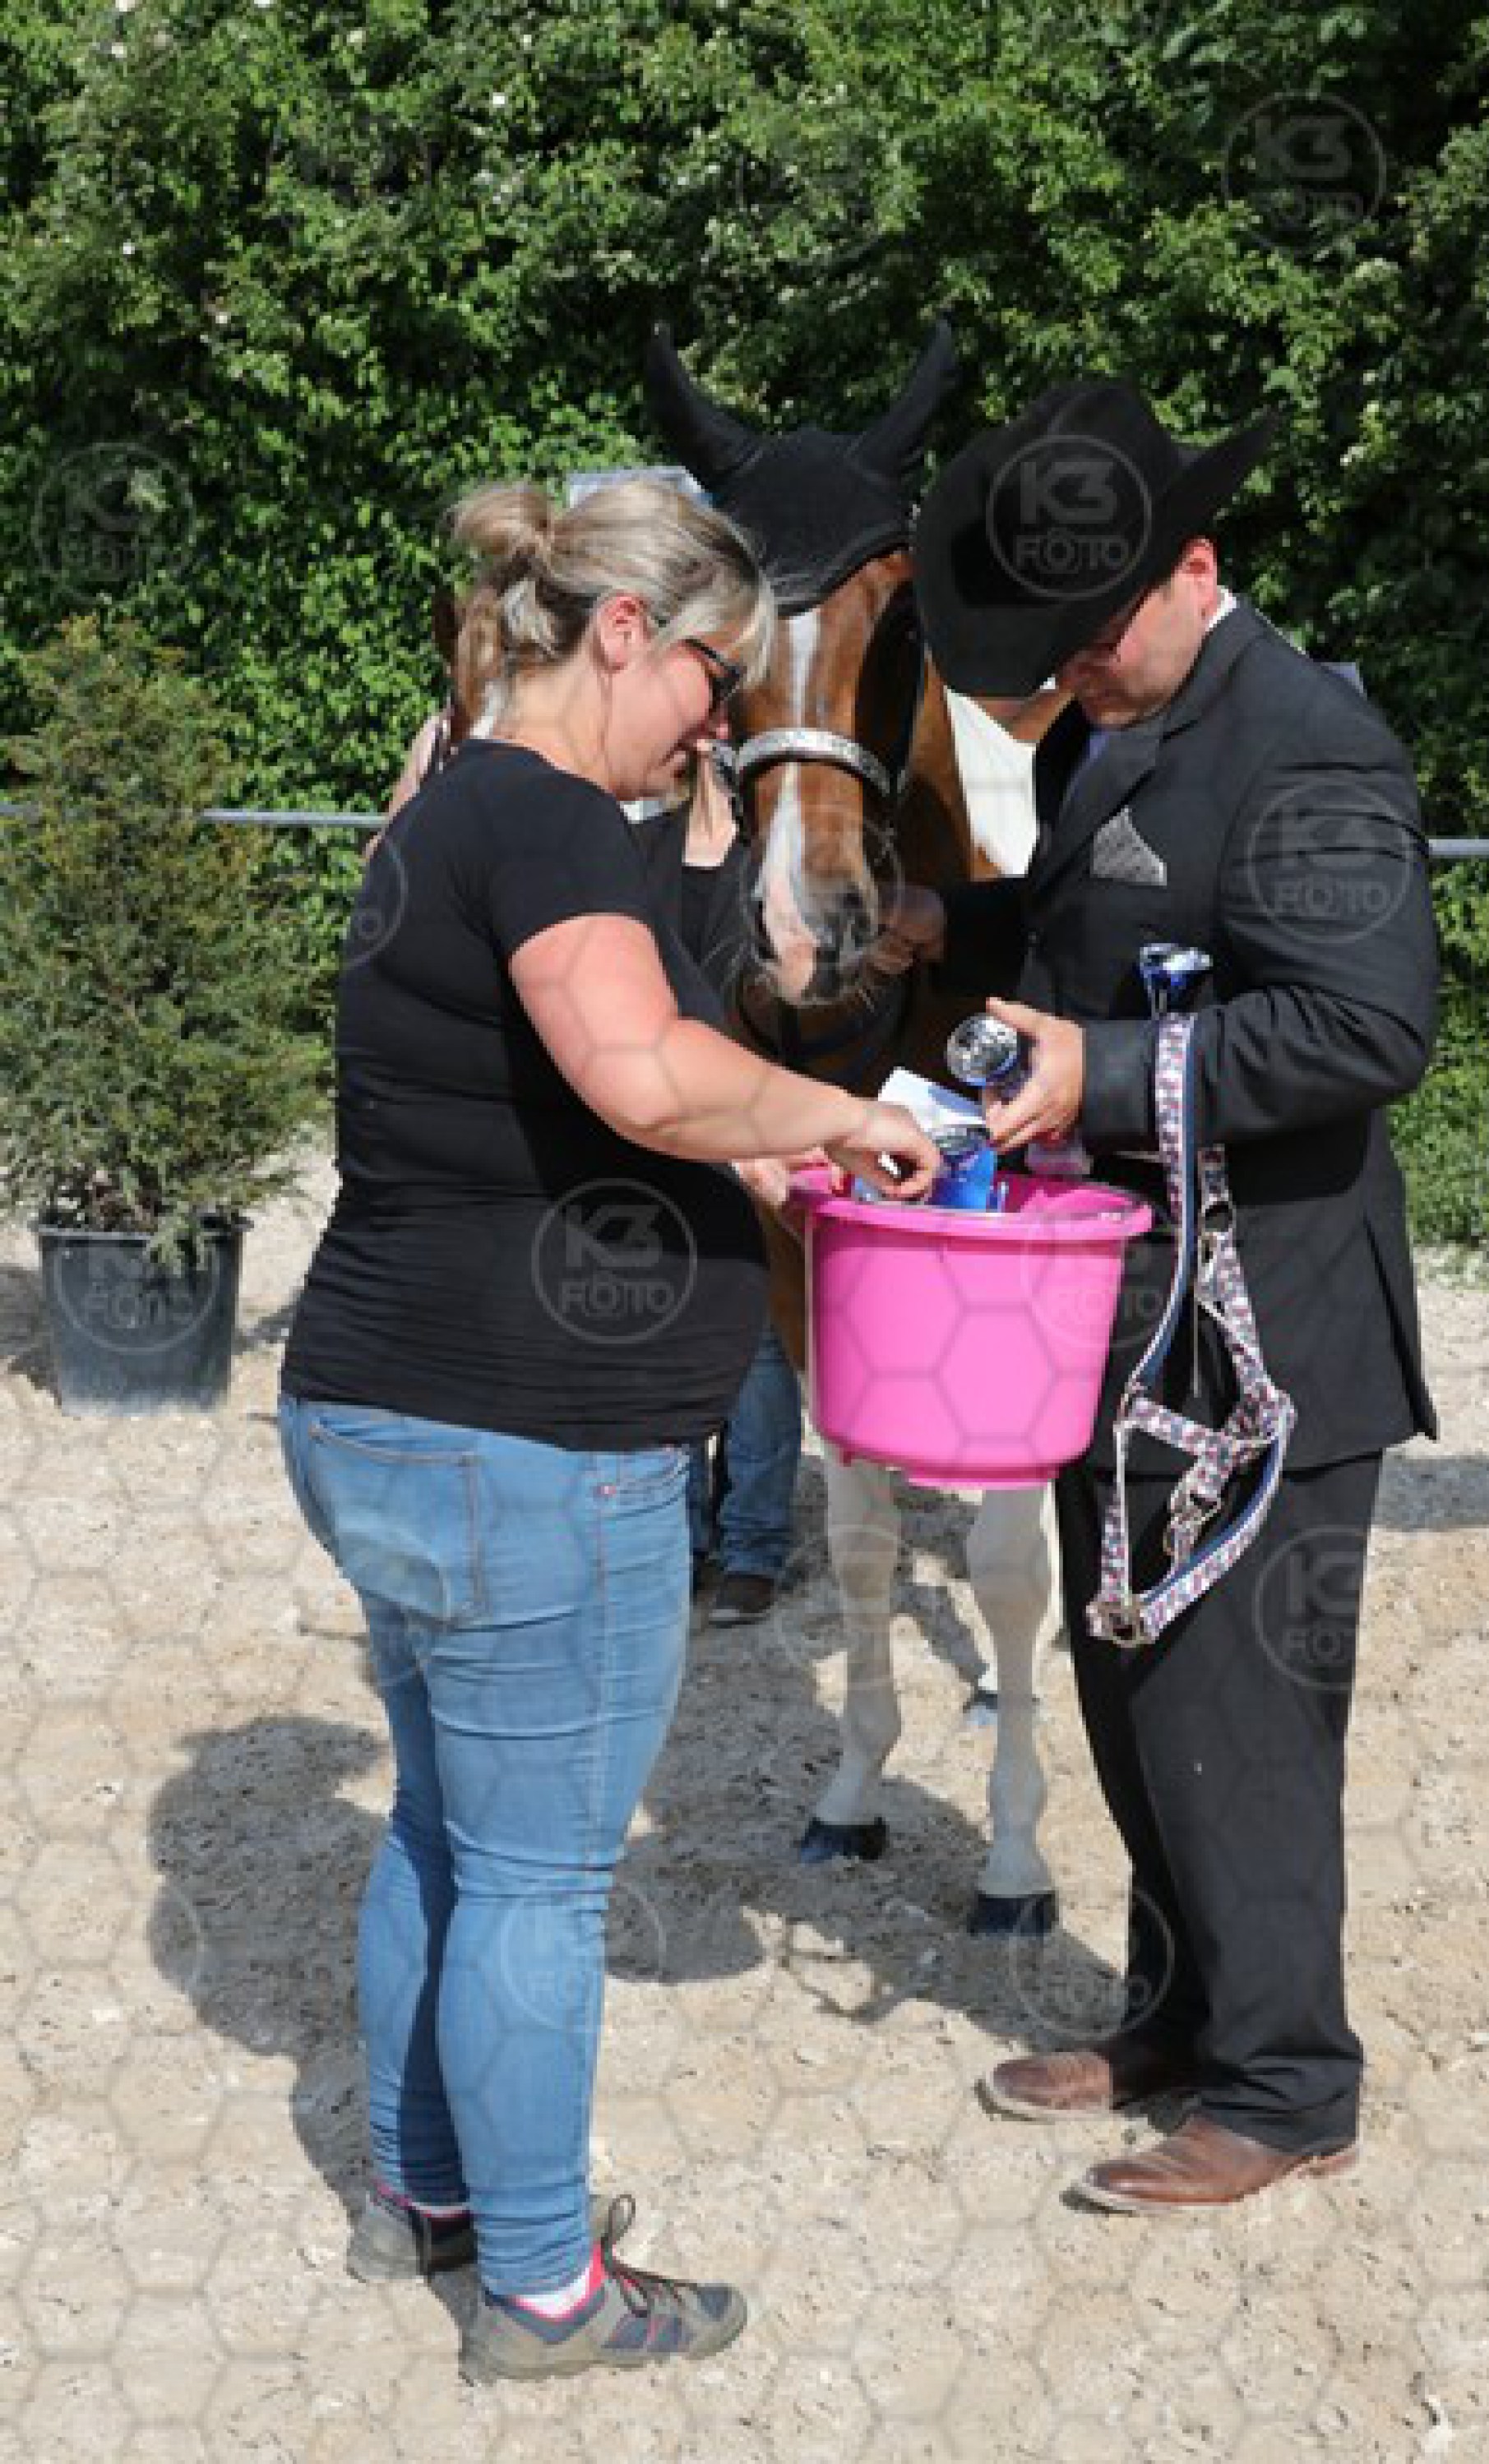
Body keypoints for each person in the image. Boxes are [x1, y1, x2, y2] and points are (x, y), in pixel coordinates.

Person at [277, 474, 937, 2382]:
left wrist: (757, 1129)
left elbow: (588, 1063)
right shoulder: (552, 819)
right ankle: (548, 2291)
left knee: (445, 1828)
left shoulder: (450, 809)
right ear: (626, 632)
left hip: (380, 1405)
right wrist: (844, 1116)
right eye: (713, 680)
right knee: (540, 1878)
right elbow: (641, 1072)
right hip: (519, 1444)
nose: (715, 724)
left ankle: (428, 2193)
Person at [882, 377, 1440, 2212]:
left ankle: (1289, 2083)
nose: (1069, 673)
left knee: (1241, 1711)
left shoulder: (1311, 747)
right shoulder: (1122, 724)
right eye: (1045, 649)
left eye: (1090, 637)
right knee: (1137, 1690)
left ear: (1197, 565)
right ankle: (1183, 2016)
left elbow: (1366, 1026)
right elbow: (1098, 933)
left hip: (1271, 1333)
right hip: (1123, 1315)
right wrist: (953, 932)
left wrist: (1100, 1074)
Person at [632, 747, 803, 1626]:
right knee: (669, 1329)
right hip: (662, 1117)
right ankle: (682, 1536)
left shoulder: (778, 857)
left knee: (759, 1343)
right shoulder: (641, 848)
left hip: (752, 1115)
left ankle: (754, 1545)